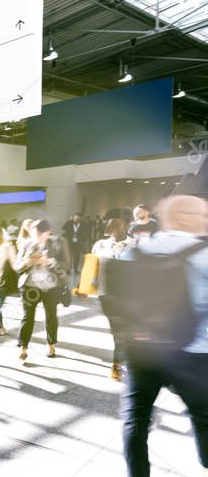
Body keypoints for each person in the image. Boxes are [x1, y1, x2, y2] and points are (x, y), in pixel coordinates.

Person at [116, 195, 208, 477]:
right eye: (202, 215)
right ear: (184, 217)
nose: (206, 220)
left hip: (143, 350)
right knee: (204, 415)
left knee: (135, 419)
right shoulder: (204, 254)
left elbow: (118, 299)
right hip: (194, 351)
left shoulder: (136, 251)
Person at [15, 219, 70, 361]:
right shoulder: (27, 243)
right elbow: (17, 266)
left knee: (51, 316)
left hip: (51, 288)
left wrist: (50, 261)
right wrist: (28, 262)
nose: (36, 238)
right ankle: (23, 348)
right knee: (28, 318)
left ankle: (51, 345)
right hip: (29, 287)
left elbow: (66, 264)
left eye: (40, 234)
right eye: (34, 234)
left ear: (48, 232)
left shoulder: (59, 242)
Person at [89, 218, 134, 381]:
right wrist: (84, 287)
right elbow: (92, 267)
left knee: (121, 331)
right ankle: (122, 361)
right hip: (106, 294)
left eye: (115, 226)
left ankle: (118, 364)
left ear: (125, 227)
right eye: (109, 226)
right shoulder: (100, 245)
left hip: (129, 295)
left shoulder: (135, 245)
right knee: (119, 330)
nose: (110, 228)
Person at [62, 213, 90, 289]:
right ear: (73, 217)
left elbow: (88, 232)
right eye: (75, 218)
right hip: (70, 241)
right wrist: (68, 220)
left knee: (77, 256)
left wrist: (84, 240)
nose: (77, 219)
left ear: (81, 218)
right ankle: (68, 269)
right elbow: (63, 228)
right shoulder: (69, 223)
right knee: (69, 256)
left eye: (78, 218)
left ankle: (75, 268)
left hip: (79, 242)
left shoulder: (84, 224)